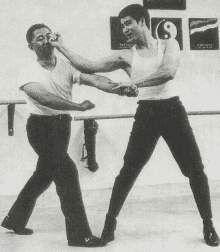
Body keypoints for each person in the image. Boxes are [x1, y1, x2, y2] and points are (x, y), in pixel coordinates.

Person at [50, 4, 220, 247]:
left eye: (128, 23)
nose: (125, 29)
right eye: (121, 26)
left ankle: (208, 224)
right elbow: (87, 65)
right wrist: (61, 46)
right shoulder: (126, 56)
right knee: (128, 171)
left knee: (195, 169)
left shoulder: (168, 44)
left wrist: (136, 84)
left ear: (143, 22)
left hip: (173, 111)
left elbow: (168, 71)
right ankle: (110, 224)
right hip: (147, 114)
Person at [0, 23, 137, 248]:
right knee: (67, 172)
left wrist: (118, 88)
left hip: (62, 127)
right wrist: (77, 106)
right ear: (31, 46)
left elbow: (94, 79)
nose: (46, 41)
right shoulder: (27, 71)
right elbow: (44, 97)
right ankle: (79, 235)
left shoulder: (65, 66)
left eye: (48, 36)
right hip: (40, 129)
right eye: (40, 39)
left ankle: (14, 220)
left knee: (43, 175)